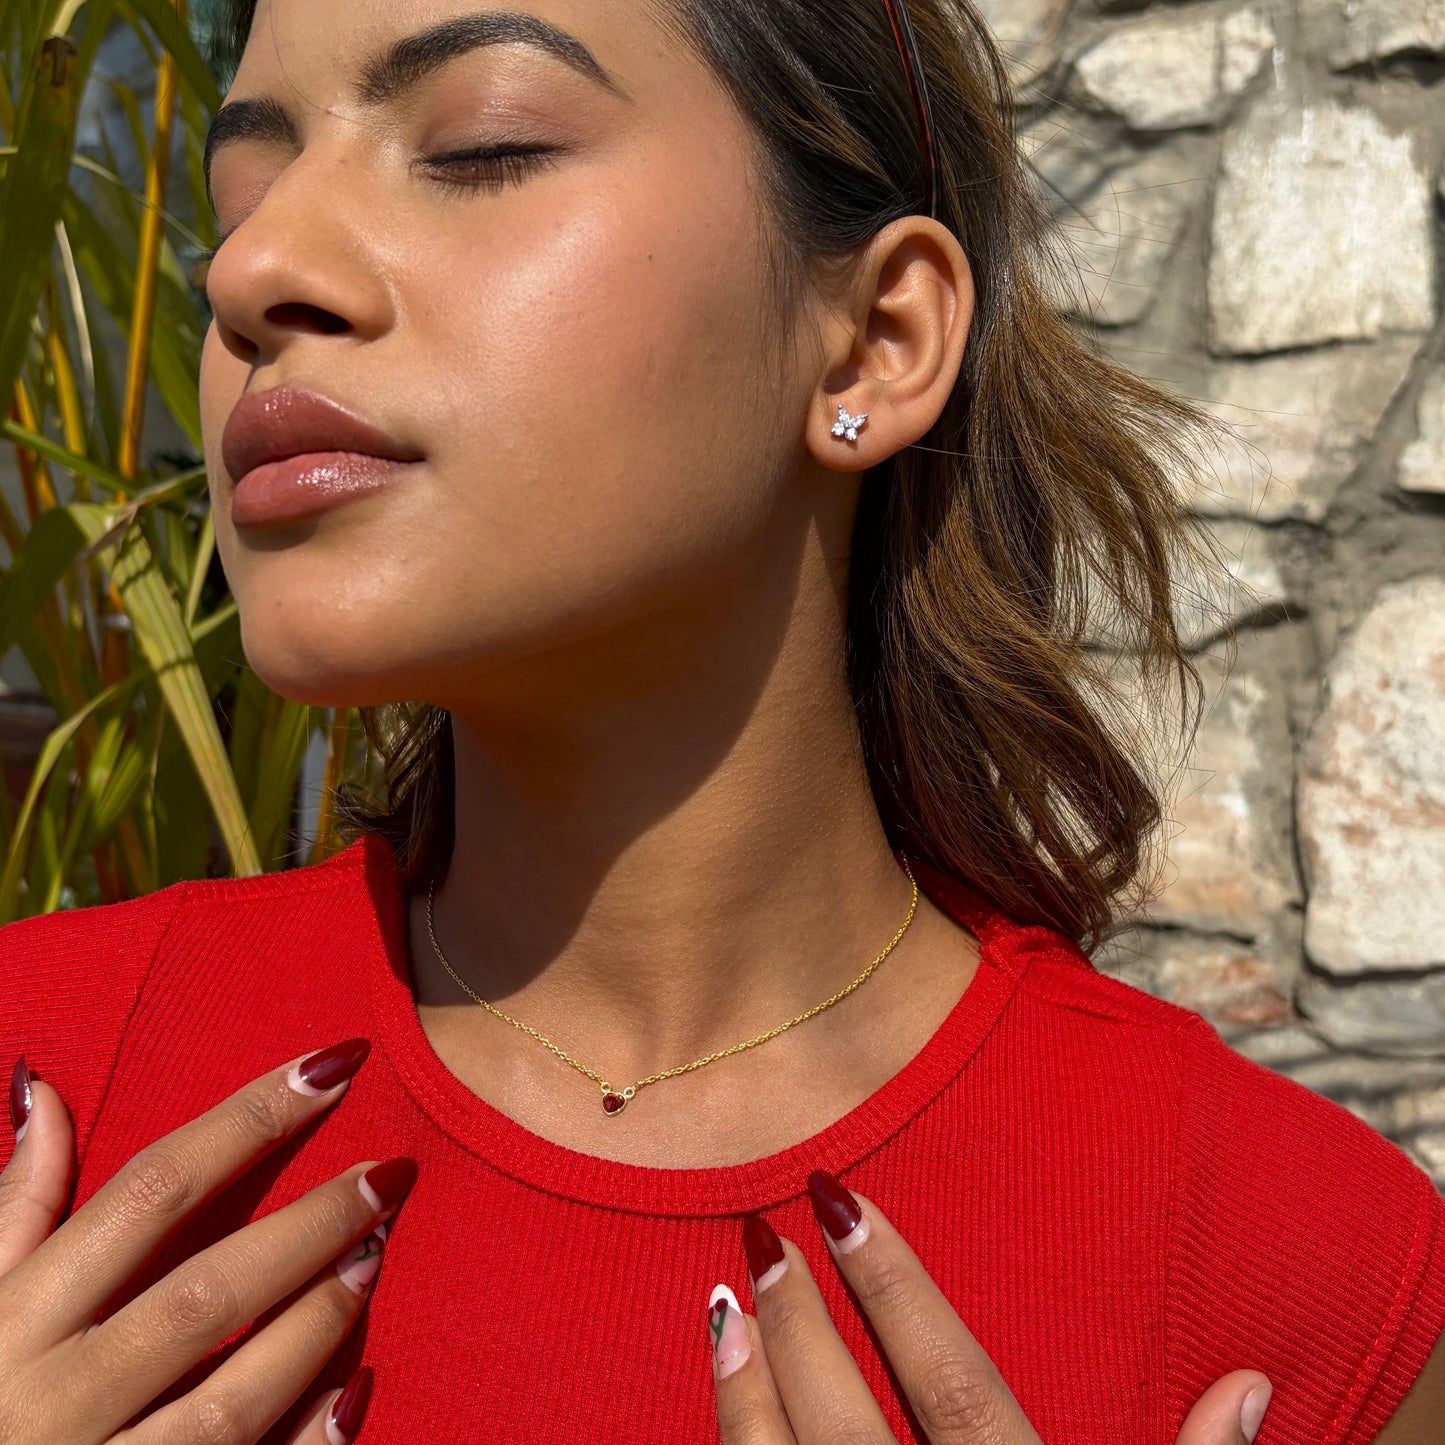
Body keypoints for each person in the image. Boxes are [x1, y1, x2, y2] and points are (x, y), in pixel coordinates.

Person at [1, 0, 1442, 1441]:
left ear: (874, 343)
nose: (251, 271)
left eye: (481, 147)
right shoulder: (39, 1089)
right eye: (241, 199)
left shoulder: (1299, 1272)